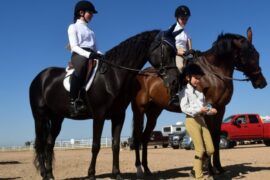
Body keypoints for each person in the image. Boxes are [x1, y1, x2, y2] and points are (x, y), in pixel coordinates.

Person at [179, 63, 217, 180]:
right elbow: (184, 108)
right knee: (200, 150)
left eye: (199, 78)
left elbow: (205, 108)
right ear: (187, 77)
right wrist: (199, 110)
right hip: (191, 121)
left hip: (201, 120)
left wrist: (211, 111)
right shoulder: (184, 91)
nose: (198, 81)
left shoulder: (200, 94)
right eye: (196, 78)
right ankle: (199, 176)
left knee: (210, 149)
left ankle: (195, 169)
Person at [67, 0, 103, 117]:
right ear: (81, 13)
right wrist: (88, 55)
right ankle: (73, 102)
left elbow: (96, 48)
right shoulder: (73, 27)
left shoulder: (91, 31)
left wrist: (102, 55)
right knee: (82, 65)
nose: (92, 15)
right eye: (90, 13)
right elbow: (74, 47)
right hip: (79, 55)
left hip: (92, 54)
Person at [169, 5, 192, 106]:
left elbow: (189, 45)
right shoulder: (172, 29)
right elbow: (169, 45)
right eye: (182, 18)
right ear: (177, 18)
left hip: (186, 54)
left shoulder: (186, 33)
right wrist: (179, 52)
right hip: (176, 53)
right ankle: (176, 93)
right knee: (180, 67)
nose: (184, 20)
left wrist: (191, 52)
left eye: (186, 19)